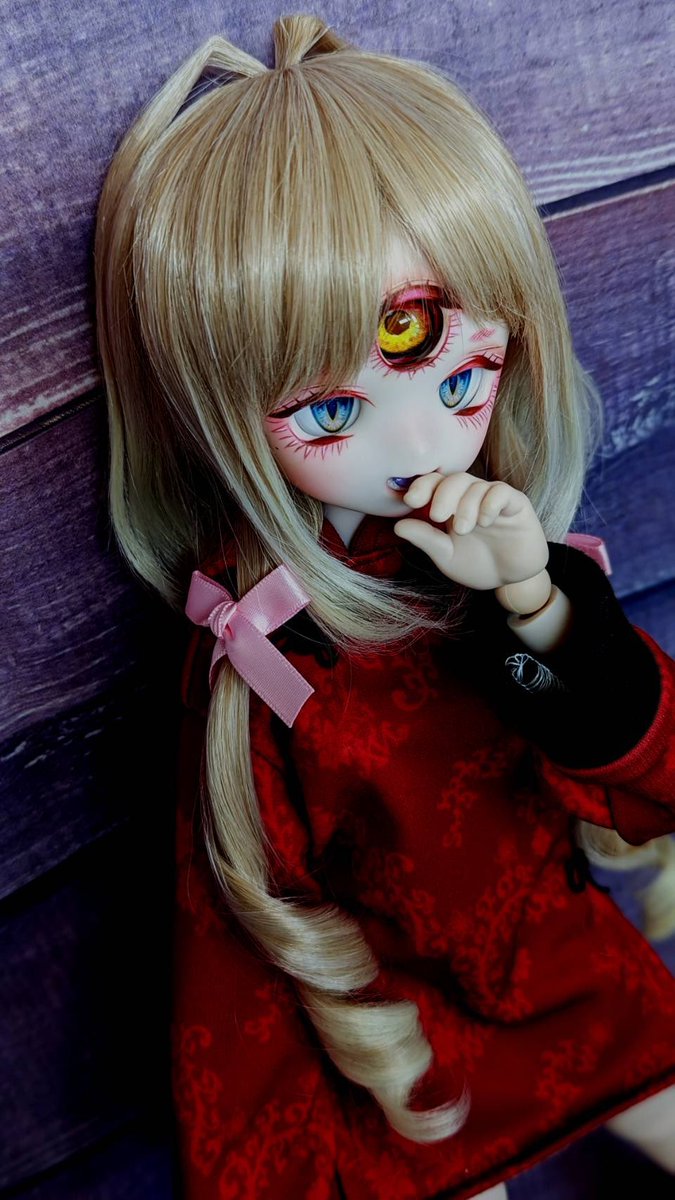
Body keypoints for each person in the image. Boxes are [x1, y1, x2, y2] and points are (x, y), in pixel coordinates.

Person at [94, 15, 675, 1199]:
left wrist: (534, 601)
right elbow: (235, 949)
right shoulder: (268, 653)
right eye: (331, 411)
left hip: (563, 964)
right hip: (412, 1044)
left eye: (460, 378)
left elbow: (646, 764)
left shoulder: (492, 558)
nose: (418, 447)